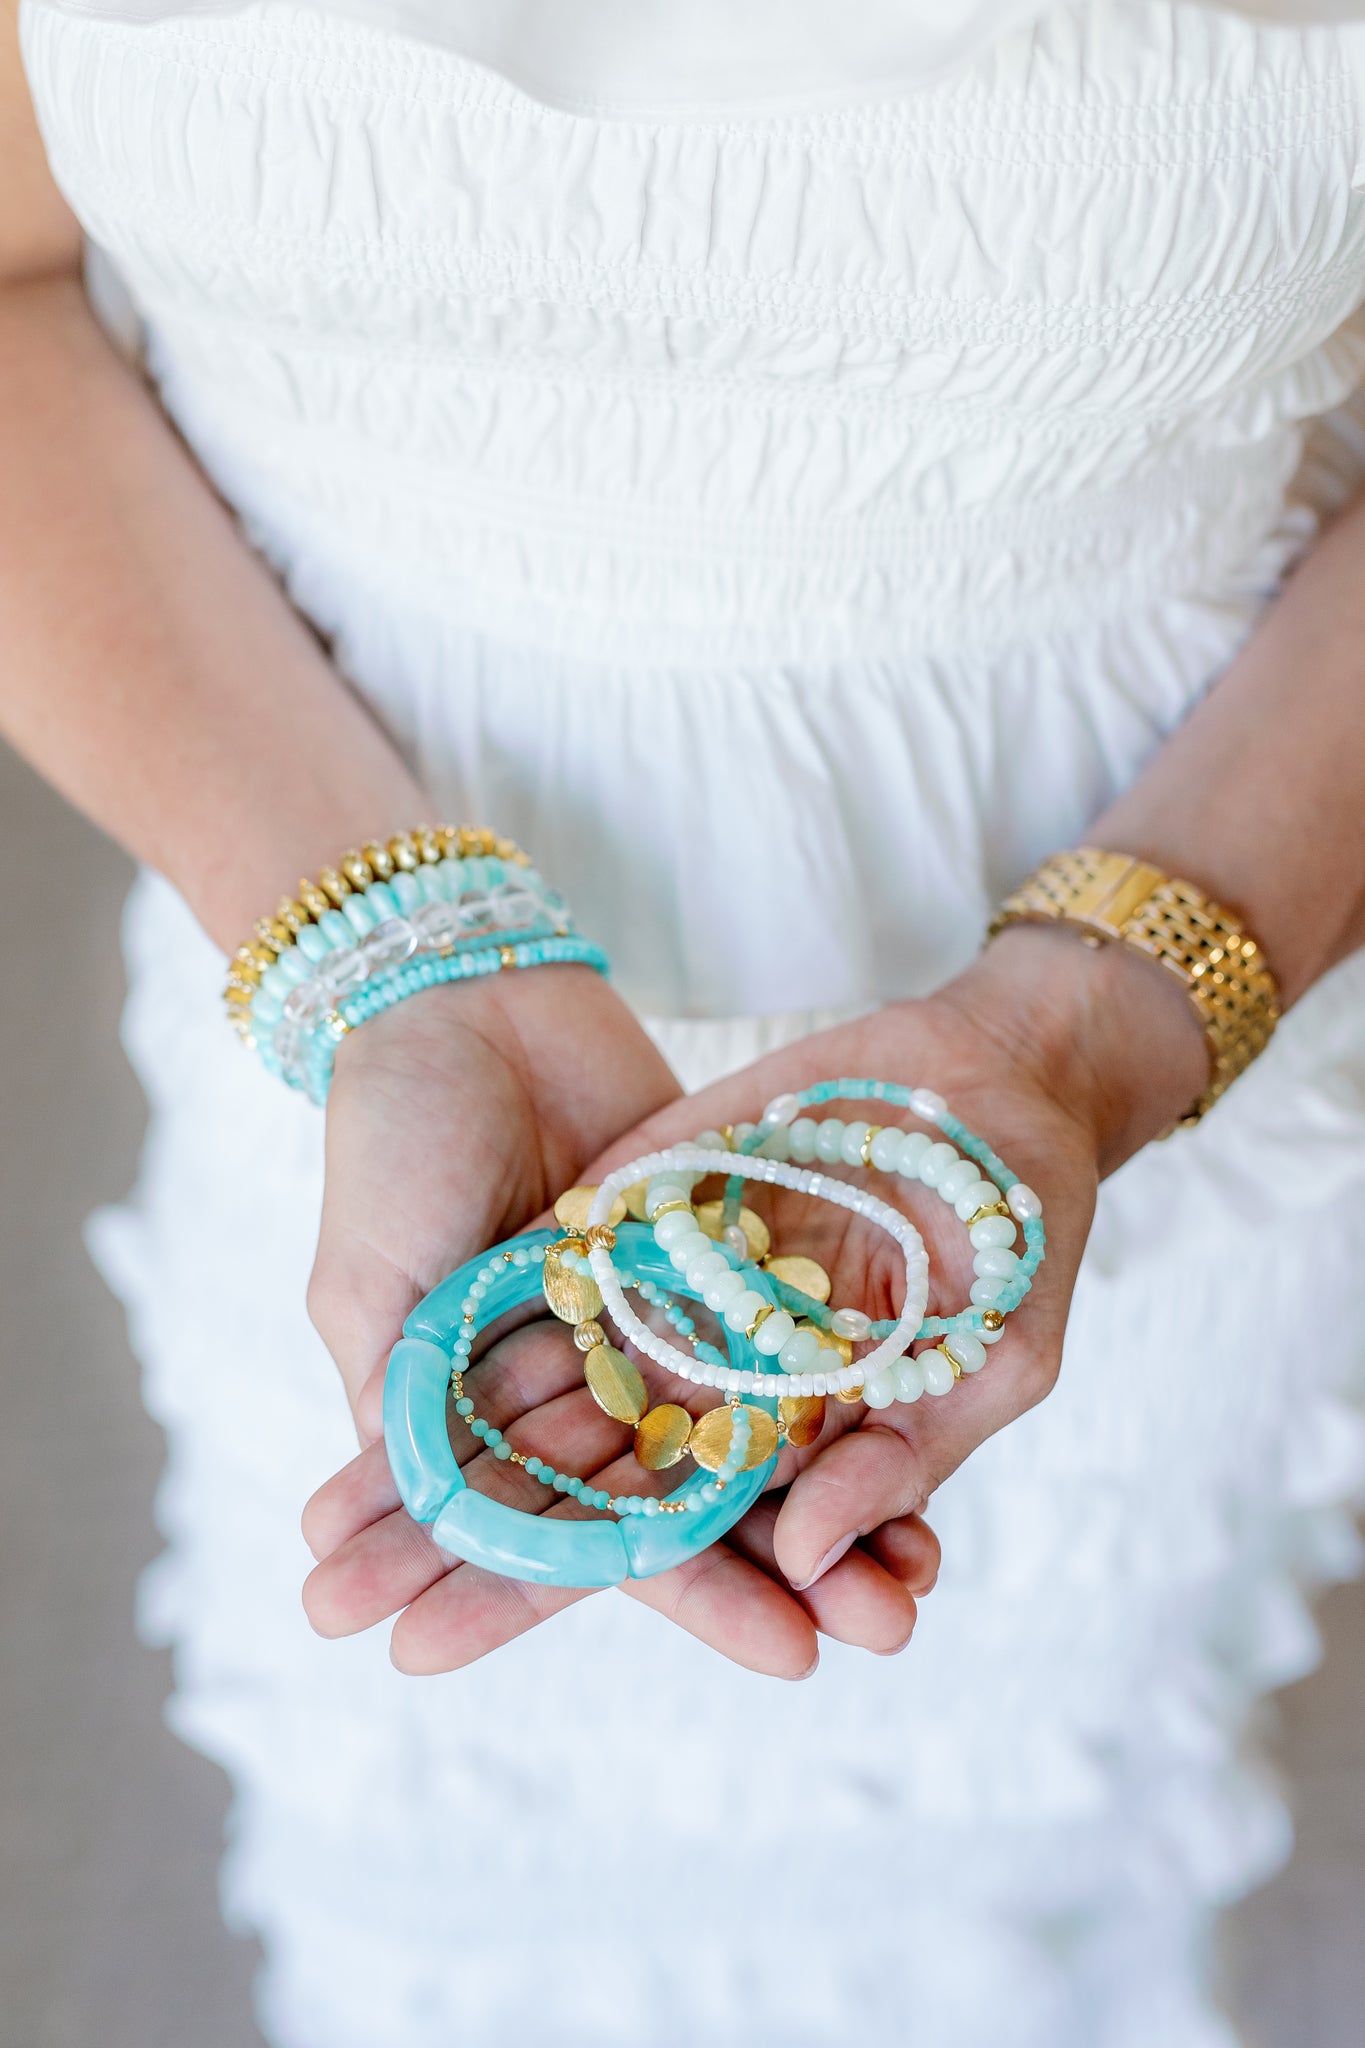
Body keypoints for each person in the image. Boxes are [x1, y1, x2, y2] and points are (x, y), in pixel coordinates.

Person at [4, 1, 1365, 2042]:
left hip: (1179, 972)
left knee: (1019, 1839)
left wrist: (1099, 1023)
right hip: (314, 930)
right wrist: (398, 965)